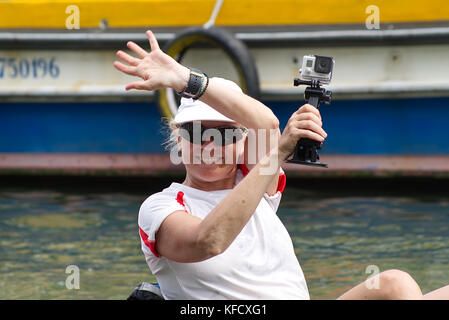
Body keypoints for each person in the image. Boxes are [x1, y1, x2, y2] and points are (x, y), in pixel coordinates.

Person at [114, 30, 449, 300]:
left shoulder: (255, 182)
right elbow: (207, 241)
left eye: (227, 134)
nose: (210, 144)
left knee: (395, 284)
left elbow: (266, 126)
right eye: (196, 132)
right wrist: (277, 153)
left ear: (244, 143)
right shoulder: (160, 207)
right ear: (178, 138)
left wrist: (186, 78)